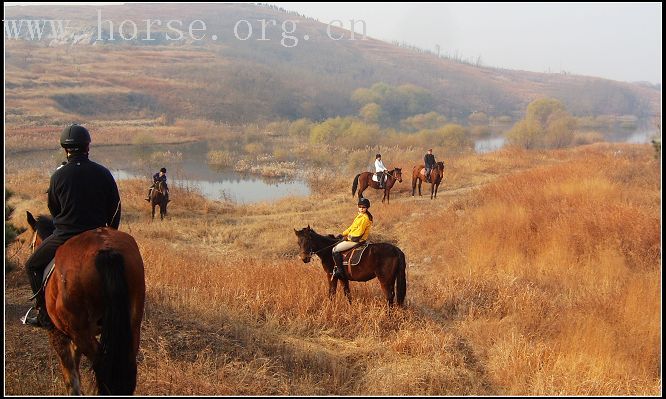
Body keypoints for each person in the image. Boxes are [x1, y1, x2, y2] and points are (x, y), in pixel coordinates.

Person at [23, 124, 121, 328]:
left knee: (31, 265)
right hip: (98, 234)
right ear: (87, 147)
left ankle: (43, 315)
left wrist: (64, 223)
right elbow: (115, 207)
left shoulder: (58, 176)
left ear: (65, 149)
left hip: (65, 234)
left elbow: (54, 208)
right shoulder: (103, 173)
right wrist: (110, 233)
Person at [332, 197, 373, 280]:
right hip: (352, 238)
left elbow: (358, 234)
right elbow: (351, 228)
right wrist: (342, 234)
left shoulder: (364, 219)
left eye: (363, 207)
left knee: (335, 250)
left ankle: (340, 271)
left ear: (367, 208)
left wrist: (347, 238)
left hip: (357, 240)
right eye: (360, 207)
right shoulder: (359, 216)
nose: (361, 209)